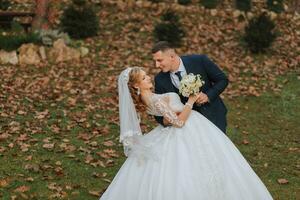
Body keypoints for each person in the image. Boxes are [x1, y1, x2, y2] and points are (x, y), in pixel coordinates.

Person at [99, 67, 273, 200]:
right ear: (136, 85)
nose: (148, 77)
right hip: (187, 128)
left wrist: (171, 115)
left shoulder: (149, 98)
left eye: (146, 75)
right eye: (144, 78)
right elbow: (179, 123)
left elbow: (168, 119)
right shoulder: (154, 101)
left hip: (179, 127)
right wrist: (190, 101)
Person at [152, 41, 228, 133]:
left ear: (171, 56)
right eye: (155, 61)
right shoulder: (160, 79)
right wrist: (168, 120)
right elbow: (159, 109)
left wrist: (208, 96)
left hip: (213, 115)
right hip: (188, 126)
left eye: (159, 60)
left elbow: (222, 80)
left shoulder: (199, 61)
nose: (156, 65)